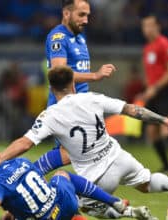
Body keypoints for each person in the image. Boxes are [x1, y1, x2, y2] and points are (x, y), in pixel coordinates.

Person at [0, 66, 168, 219]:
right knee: (146, 181)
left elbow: (24, 143)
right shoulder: (93, 98)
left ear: (52, 89)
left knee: (81, 207)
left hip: (96, 176)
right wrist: (164, 121)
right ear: (73, 83)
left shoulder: (50, 116)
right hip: (119, 156)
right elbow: (131, 110)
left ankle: (128, 212)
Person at [0, 137, 153, 220]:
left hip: (45, 217)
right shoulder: (21, 162)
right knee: (61, 175)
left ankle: (119, 210)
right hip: (65, 204)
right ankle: (114, 201)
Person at [35, 0, 117, 179]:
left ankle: (93, 200)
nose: (86, 20)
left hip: (82, 104)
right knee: (74, 153)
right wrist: (95, 75)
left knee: (93, 152)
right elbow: (59, 71)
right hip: (65, 104)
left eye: (87, 15)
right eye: (81, 15)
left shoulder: (80, 37)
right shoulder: (58, 37)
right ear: (66, 14)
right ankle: (28, 178)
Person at [141, 15, 168, 176]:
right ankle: (166, 165)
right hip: (153, 92)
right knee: (151, 131)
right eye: (144, 26)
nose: (147, 29)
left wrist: (156, 87)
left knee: (167, 128)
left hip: (165, 91)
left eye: (150, 25)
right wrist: (147, 90)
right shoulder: (147, 49)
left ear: (158, 27)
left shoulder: (164, 44)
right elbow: (150, 73)